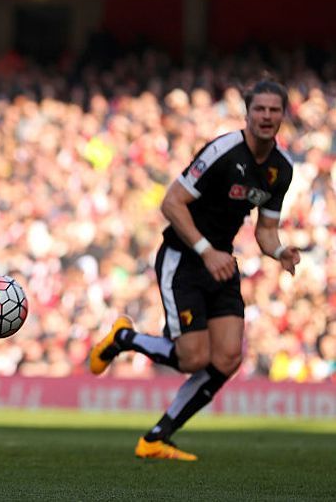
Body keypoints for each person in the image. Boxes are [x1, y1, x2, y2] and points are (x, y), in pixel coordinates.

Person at [88, 79, 300, 461]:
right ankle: (125, 340)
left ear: (283, 115)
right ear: (247, 113)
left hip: (220, 261)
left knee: (229, 358)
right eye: (260, 109)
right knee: (192, 359)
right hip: (184, 258)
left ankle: (157, 437)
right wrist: (205, 251)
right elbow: (172, 203)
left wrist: (281, 251)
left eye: (274, 110)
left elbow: (266, 231)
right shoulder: (222, 151)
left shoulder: (281, 169)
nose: (267, 117)